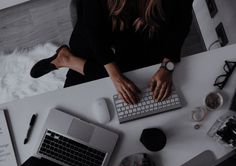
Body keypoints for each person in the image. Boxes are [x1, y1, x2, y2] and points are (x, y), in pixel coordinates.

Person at [30, 0, 194, 104]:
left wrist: (167, 67)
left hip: (145, 34)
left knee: (137, 84)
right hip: (98, 33)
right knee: (76, 99)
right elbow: (93, 31)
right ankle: (67, 59)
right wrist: (115, 76)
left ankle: (69, 60)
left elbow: (180, 28)